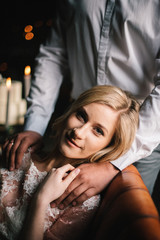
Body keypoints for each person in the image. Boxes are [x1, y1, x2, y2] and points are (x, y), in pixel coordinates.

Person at [2, 0, 160, 208]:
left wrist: (115, 163)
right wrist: (35, 125)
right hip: (73, 125)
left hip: (139, 140)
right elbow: (54, 54)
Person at [0, 85, 139, 240]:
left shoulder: (83, 202)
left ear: (109, 146)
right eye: (81, 115)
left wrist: (42, 199)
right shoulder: (19, 152)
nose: (78, 132)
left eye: (98, 131)